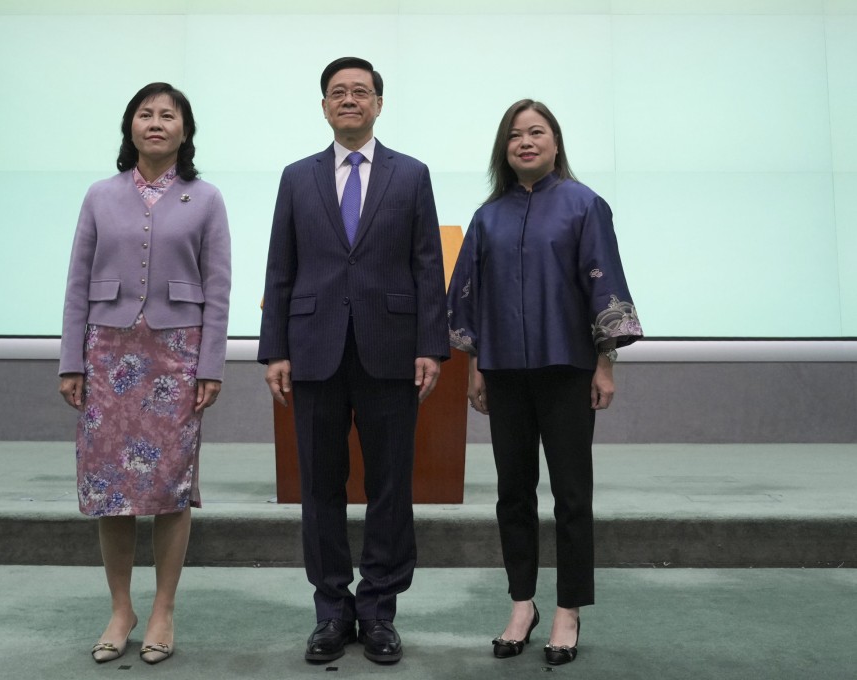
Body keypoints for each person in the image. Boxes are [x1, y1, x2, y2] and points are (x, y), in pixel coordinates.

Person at [258, 56, 448, 665]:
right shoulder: (296, 177)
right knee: (321, 487)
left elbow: (427, 266)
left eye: (360, 92)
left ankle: (380, 611)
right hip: (313, 351)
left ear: (378, 104)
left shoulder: (411, 175)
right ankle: (332, 611)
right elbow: (280, 269)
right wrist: (274, 349)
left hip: (390, 350)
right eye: (338, 92)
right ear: (323, 106)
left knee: (391, 486)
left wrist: (430, 344)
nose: (349, 100)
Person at [446, 99, 642, 666]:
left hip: (568, 370)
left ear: (556, 143)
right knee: (513, 493)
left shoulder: (584, 205)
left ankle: (568, 610)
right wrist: (477, 366)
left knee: (572, 494)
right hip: (504, 372)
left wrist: (605, 363)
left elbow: (604, 284)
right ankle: (522, 604)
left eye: (537, 132)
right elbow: (471, 295)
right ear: (503, 149)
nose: (525, 142)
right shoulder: (487, 217)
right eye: (515, 135)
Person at [58, 82, 231, 665]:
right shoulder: (99, 195)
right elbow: (77, 284)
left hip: (176, 356)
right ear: (129, 126)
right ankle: (120, 607)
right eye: (144, 114)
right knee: (112, 489)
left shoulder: (205, 198)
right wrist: (71, 361)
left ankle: (162, 608)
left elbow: (219, 289)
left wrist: (211, 365)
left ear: (185, 130)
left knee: (170, 487)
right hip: (107, 354)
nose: (155, 123)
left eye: (168, 115)